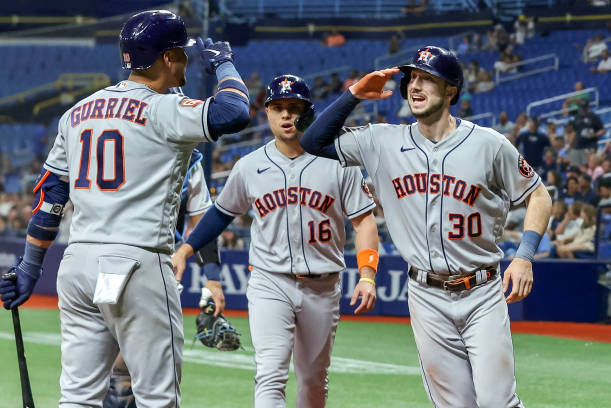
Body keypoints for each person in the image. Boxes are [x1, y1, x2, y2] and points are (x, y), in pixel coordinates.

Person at [0, 10, 250, 407]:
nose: (185, 60)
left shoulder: (74, 115)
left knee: (78, 398)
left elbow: (49, 200)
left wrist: (30, 267)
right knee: (157, 399)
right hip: (138, 263)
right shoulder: (166, 109)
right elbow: (234, 112)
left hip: (78, 265)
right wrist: (223, 62)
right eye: (181, 53)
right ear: (168, 58)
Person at [300, 45, 552, 407]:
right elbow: (311, 142)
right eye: (412, 78)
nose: (415, 86)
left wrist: (525, 256)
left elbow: (539, 196)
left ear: (451, 90)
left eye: (427, 79)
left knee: (498, 402)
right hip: (425, 294)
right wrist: (355, 93)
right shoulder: (382, 141)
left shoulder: (488, 144)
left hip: (481, 290)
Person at [173, 75, 379, 408]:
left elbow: (364, 220)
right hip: (270, 282)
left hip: (322, 287)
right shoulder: (249, 166)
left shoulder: (340, 163)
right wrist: (187, 247)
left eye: (294, 108)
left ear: (309, 113)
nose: (286, 115)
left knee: (313, 381)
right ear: (266, 113)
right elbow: (220, 214)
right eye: (278, 108)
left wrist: (367, 274)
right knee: (270, 374)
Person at [103, 150, 227, 407]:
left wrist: (212, 277)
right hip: (145, 266)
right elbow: (201, 219)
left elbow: (202, 220)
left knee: (121, 371)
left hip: (113, 262)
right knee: (128, 371)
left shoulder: (188, 157)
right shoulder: (188, 157)